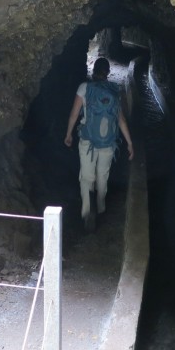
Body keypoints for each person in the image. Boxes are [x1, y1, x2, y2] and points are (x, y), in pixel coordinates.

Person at [64, 57, 134, 230]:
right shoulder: (113, 90)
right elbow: (121, 120)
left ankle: (88, 212)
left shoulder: (84, 88)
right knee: (103, 176)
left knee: (87, 178)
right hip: (108, 143)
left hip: (87, 141)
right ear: (108, 72)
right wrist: (130, 143)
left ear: (93, 70)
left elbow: (74, 114)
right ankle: (101, 207)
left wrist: (68, 134)